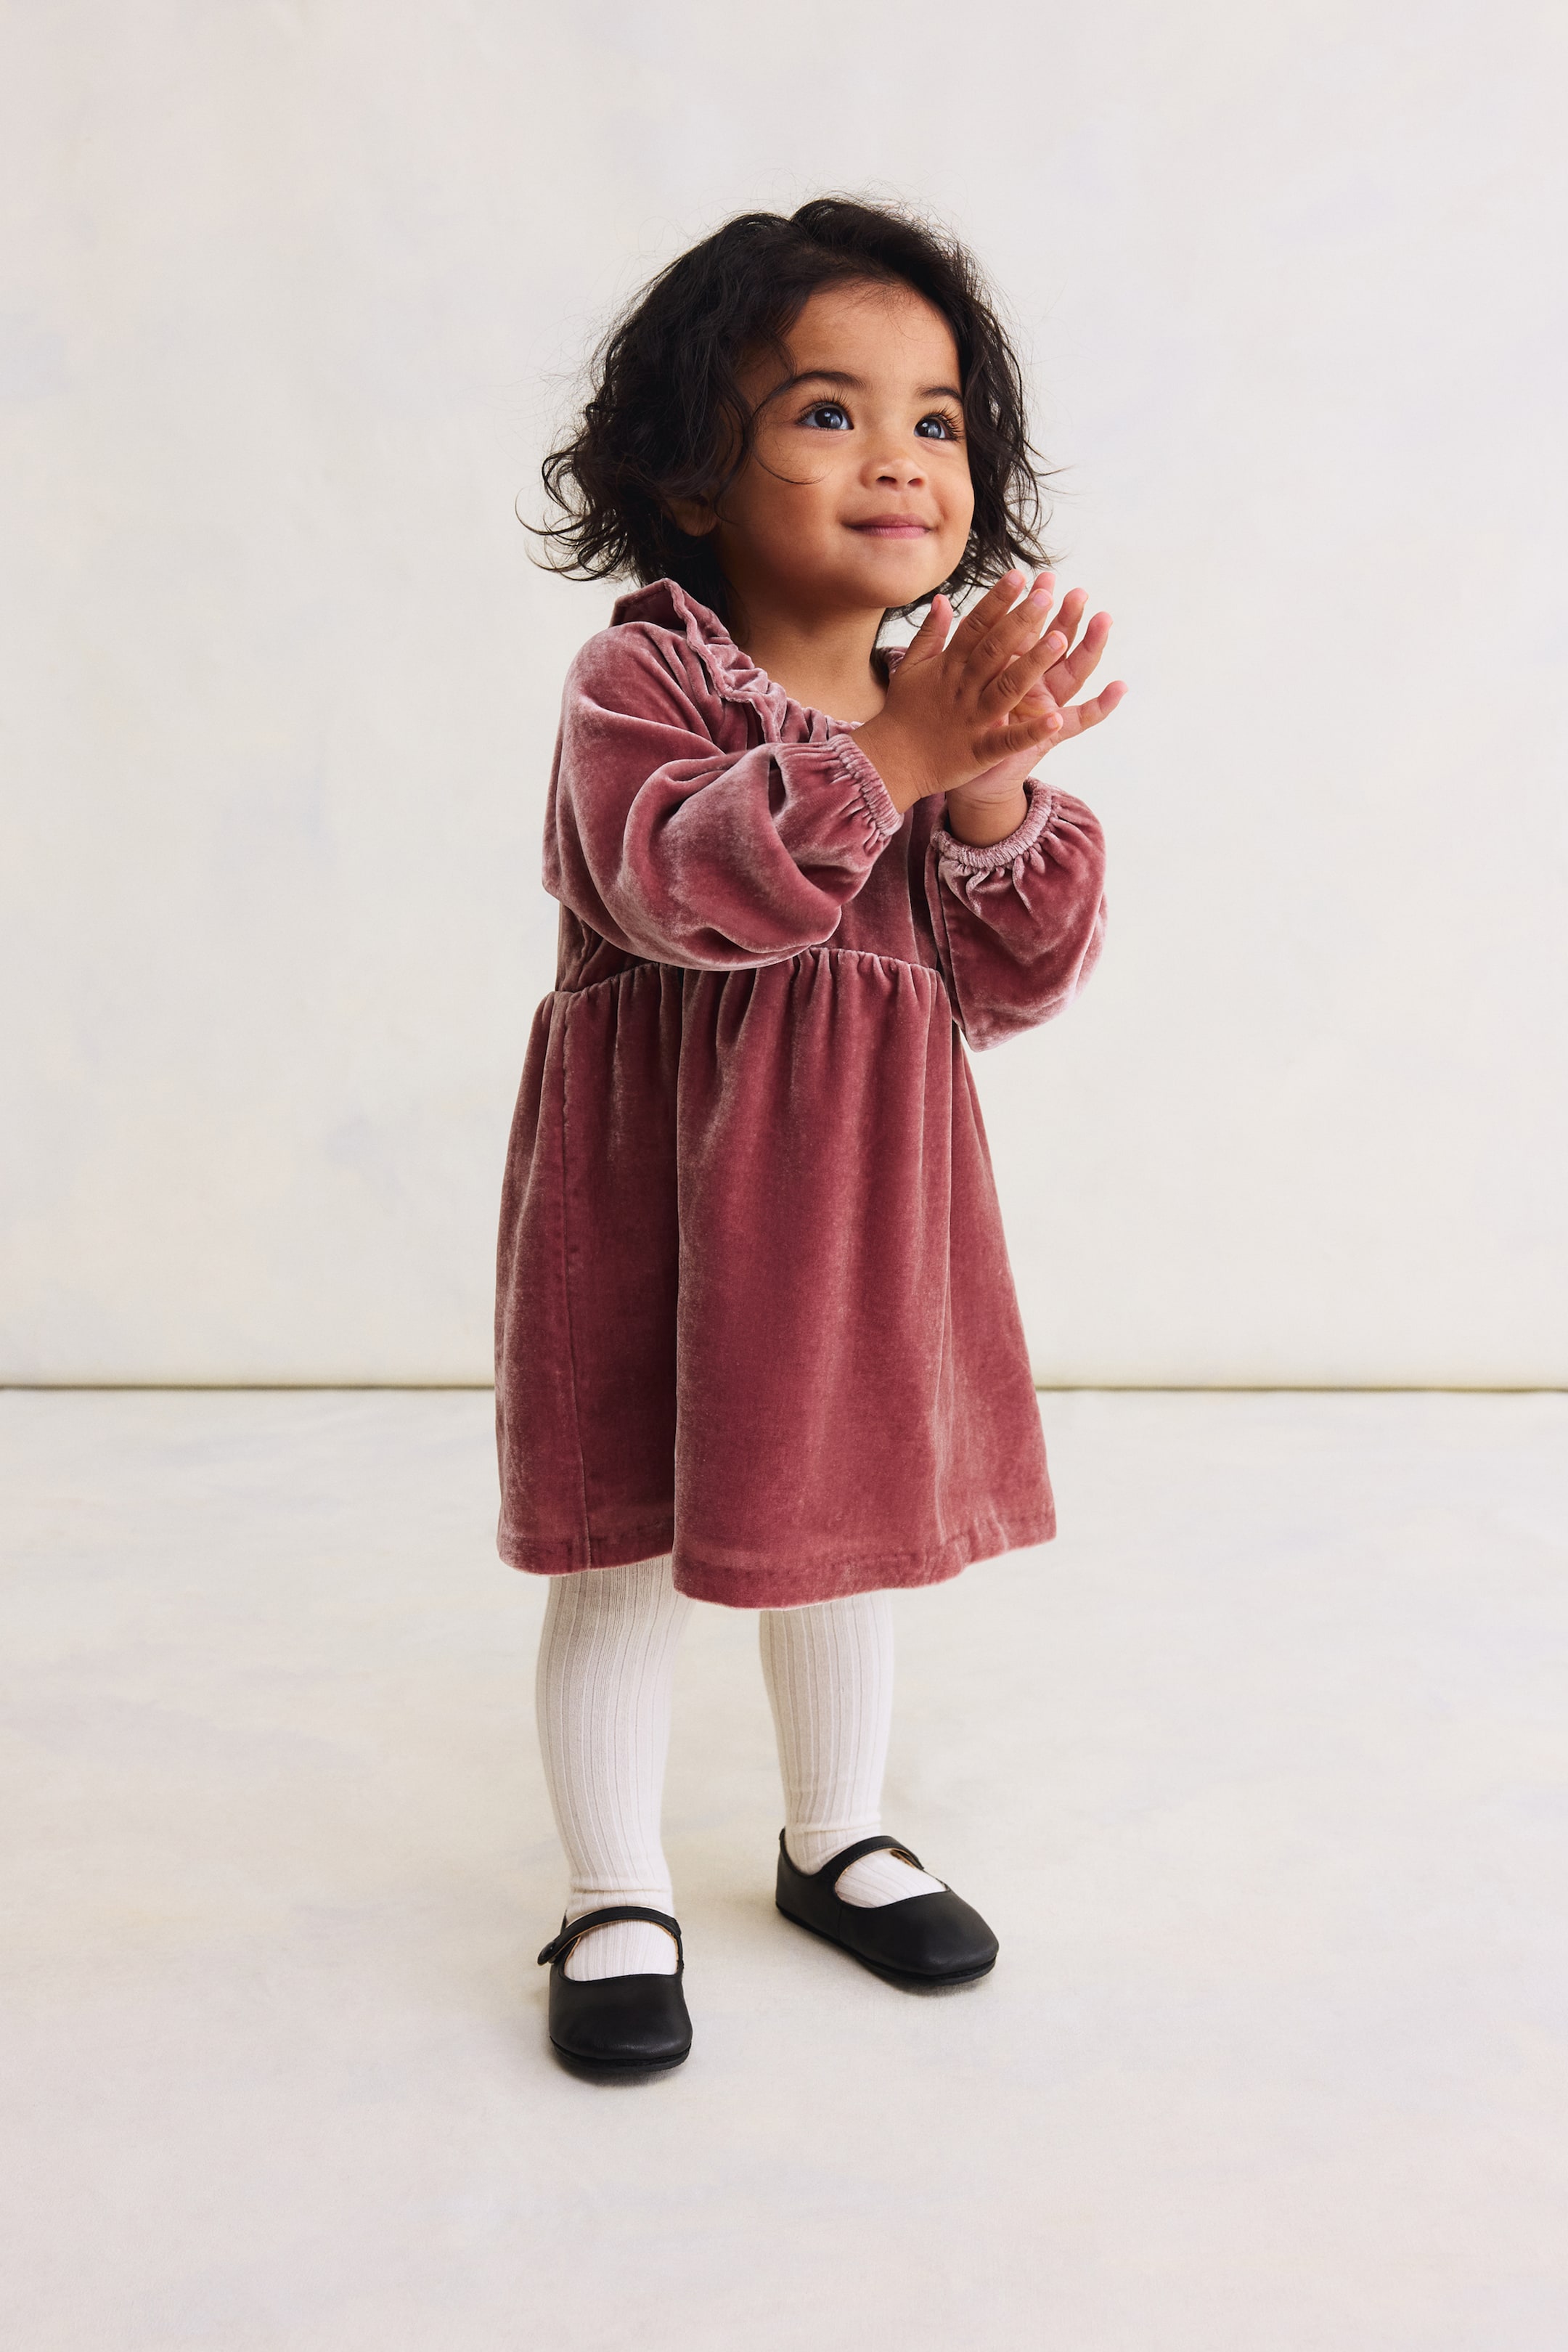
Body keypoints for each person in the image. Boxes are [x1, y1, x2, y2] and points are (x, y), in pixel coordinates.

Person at [496, 196, 1125, 2075]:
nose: (900, 458)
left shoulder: (937, 707)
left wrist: (991, 787)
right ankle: (612, 1889)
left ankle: (833, 1831)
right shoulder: (648, 680)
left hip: (863, 1210)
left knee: (844, 1522)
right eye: (827, 413)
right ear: (693, 473)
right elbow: (687, 891)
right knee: (625, 1540)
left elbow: (1011, 979)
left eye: (938, 421)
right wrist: (904, 759)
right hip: (659, 1208)